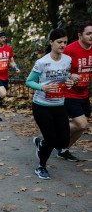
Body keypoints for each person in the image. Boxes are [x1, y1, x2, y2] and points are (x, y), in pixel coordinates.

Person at [26, 29, 74, 179]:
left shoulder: (67, 59)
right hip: (42, 105)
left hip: (59, 104)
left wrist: (70, 82)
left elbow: (65, 76)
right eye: (59, 42)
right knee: (52, 139)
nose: (62, 45)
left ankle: (41, 143)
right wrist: (43, 87)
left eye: (65, 42)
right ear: (51, 42)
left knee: (64, 141)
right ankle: (41, 166)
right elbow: (29, 81)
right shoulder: (42, 62)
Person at [56, 21, 92, 161]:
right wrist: (70, 75)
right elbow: (56, 67)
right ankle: (51, 137)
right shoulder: (70, 50)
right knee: (82, 123)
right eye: (88, 33)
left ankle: (63, 149)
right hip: (69, 92)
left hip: (83, 93)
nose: (91, 36)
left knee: (81, 127)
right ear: (79, 35)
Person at [0, 31, 20, 121]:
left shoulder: (8, 49)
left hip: (5, 76)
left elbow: (11, 61)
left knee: (2, 95)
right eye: (1, 38)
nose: (3, 39)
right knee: (3, 93)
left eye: (4, 37)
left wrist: (16, 68)